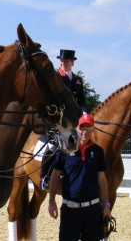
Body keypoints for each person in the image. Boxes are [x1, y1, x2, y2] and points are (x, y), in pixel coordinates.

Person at [48, 113, 112, 241]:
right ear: (78, 128)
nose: (85, 132)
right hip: (69, 211)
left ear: (92, 130)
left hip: (92, 211)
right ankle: (42, 179)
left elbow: (101, 179)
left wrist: (106, 205)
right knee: (48, 148)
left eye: (89, 128)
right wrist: (51, 201)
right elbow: (55, 174)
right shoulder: (65, 150)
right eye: (83, 128)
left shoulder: (98, 151)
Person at [40, 49, 87, 190]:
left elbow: (82, 101)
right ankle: (44, 177)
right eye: (61, 60)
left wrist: (84, 114)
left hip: (75, 117)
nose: (63, 62)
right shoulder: (55, 77)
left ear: (72, 62)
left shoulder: (78, 80)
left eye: (66, 60)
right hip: (58, 118)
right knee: (53, 146)